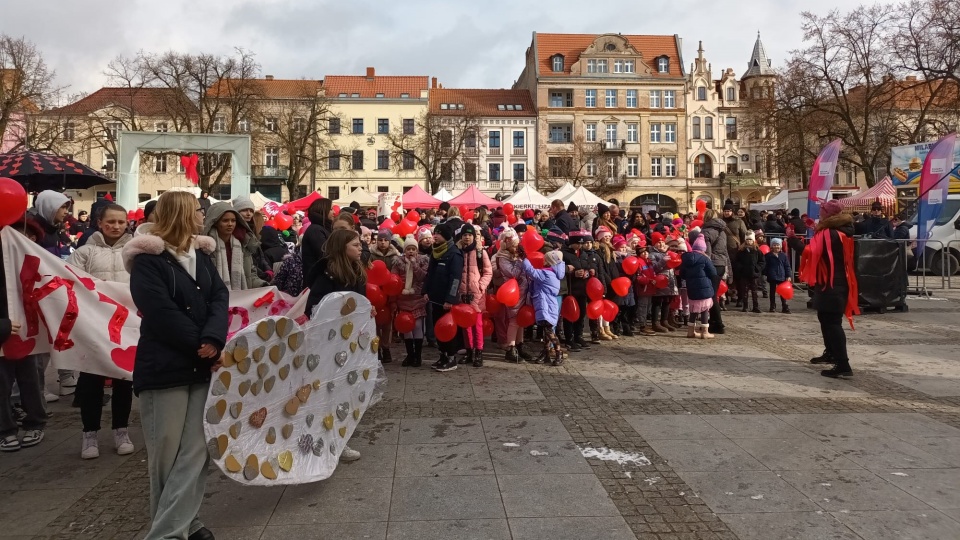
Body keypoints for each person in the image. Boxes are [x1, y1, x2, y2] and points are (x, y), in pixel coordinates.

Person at [123, 191, 228, 540]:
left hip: (200, 365)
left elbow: (218, 297)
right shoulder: (148, 261)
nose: (203, 215)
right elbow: (160, 311)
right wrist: (200, 344)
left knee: (196, 450)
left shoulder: (201, 254)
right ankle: (180, 526)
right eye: (198, 210)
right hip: (164, 368)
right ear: (183, 214)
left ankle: (175, 527)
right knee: (165, 455)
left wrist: (213, 339)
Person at [66, 203, 136, 459]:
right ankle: (90, 434)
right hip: (94, 326)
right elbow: (71, 285)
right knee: (91, 381)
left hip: (126, 327)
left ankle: (121, 429)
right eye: (111, 222)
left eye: (121, 222)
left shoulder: (135, 252)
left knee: (123, 380)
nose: (116, 226)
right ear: (99, 223)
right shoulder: (85, 253)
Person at [0, 217, 46, 453]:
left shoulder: (39, 263)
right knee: (2, 383)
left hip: (28, 332)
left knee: (31, 381)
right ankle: (5, 430)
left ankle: (35, 421)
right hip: (4, 334)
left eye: (28, 236)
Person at [801, 200, 859, 378]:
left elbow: (811, 251)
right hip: (834, 282)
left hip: (832, 283)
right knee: (825, 318)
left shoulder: (831, 233)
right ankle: (831, 353)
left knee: (832, 322)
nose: (820, 213)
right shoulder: (839, 231)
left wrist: (794, 241)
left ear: (829, 214)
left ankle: (843, 365)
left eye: (822, 211)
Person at [424, 223, 464, 372]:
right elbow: (430, 274)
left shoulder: (454, 254)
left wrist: (450, 299)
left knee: (448, 328)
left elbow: (455, 279)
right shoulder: (435, 252)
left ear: (446, 236)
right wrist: (426, 291)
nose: (435, 236)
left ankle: (451, 357)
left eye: (438, 233)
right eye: (435, 233)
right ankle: (442, 355)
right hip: (435, 298)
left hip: (446, 300)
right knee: (437, 327)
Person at [202, 202, 267, 290]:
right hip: (215, 298)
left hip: (240, 297)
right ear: (215, 222)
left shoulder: (243, 244)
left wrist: (263, 285)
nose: (230, 224)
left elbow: (250, 274)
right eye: (225, 220)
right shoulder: (206, 247)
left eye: (233, 220)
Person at [455, 223, 492, 367]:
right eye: (465, 235)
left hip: (476, 294)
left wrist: (481, 286)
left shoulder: (480, 252)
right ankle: (469, 351)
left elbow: (488, 272)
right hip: (462, 293)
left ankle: (479, 351)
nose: (467, 238)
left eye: (470, 235)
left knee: (477, 325)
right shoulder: (458, 252)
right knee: (466, 325)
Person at [491, 228, 531, 362]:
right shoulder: (502, 257)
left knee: (521, 320)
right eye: (513, 246)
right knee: (514, 320)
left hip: (523, 290)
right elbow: (512, 273)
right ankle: (510, 348)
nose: (516, 248)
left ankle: (520, 345)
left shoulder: (516, 256)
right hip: (513, 292)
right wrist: (522, 262)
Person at [523, 250, 566, 366]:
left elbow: (530, 271)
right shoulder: (552, 273)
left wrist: (525, 258)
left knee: (549, 331)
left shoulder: (546, 274)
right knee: (546, 331)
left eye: (546, 259)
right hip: (547, 305)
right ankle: (546, 352)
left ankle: (558, 352)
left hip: (546, 305)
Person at [392, 235, 429, 367]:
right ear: (404, 250)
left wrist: (415, 265)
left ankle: (418, 356)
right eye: (408, 249)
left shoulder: (423, 261)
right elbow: (394, 280)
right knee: (406, 328)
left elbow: (422, 277)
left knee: (418, 326)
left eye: (413, 249)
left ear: (417, 251)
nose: (411, 252)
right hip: (403, 299)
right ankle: (410, 355)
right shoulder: (398, 262)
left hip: (417, 297)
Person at [370, 229, 401, 363]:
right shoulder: (371, 255)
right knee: (375, 323)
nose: (383, 243)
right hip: (374, 293)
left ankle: (386, 347)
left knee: (388, 323)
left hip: (389, 293)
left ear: (389, 242)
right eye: (380, 240)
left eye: (385, 240)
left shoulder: (395, 257)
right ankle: (376, 349)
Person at [679, 231, 717, 339]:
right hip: (704, 287)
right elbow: (713, 272)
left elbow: (682, 274)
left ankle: (690, 331)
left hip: (691, 287)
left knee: (693, 310)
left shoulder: (686, 259)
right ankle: (705, 332)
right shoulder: (705, 259)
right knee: (705, 309)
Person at [700, 209, 729, 334]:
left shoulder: (706, 231)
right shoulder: (722, 231)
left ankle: (718, 323)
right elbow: (725, 251)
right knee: (714, 294)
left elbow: (707, 253)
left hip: (712, 264)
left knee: (711, 295)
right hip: (721, 264)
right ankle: (713, 322)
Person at [301, 198, 334, 288]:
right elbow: (325, 254)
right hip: (317, 281)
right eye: (331, 209)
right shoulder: (316, 230)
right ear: (323, 211)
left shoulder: (323, 228)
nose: (334, 212)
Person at [733, 232, 764, 313]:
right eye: (747, 239)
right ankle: (745, 306)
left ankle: (755, 306)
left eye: (750, 239)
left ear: (753, 240)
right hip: (744, 274)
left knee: (754, 291)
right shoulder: (741, 251)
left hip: (754, 274)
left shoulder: (757, 250)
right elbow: (736, 262)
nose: (749, 241)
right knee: (745, 291)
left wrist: (757, 268)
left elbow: (762, 261)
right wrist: (741, 268)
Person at [763, 238, 792, 314]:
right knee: (772, 292)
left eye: (778, 245)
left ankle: (784, 306)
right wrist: (765, 273)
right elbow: (765, 266)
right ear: (772, 246)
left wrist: (788, 275)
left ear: (781, 246)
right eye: (774, 245)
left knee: (783, 292)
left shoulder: (783, 256)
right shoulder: (768, 256)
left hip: (782, 276)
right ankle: (772, 306)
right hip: (772, 276)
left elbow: (787, 266)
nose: (776, 247)